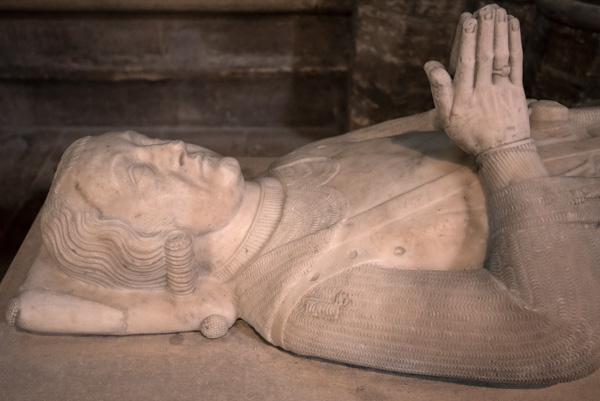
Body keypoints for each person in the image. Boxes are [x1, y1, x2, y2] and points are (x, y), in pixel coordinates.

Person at [7, 5, 600, 385]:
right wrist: (506, 150)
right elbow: (554, 331)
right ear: (155, 250)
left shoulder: (297, 164)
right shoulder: (305, 299)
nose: (167, 148)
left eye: (142, 139)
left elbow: (452, 129)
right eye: (141, 174)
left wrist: (479, 108)